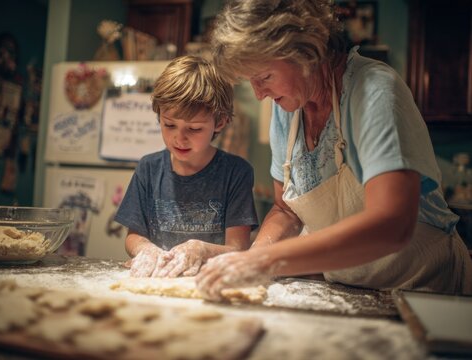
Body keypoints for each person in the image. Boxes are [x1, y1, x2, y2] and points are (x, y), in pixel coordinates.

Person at [196, 0, 472, 300]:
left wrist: (263, 261)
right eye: (252, 82)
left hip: (426, 290)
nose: (260, 94)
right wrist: (253, 259)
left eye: (264, 78)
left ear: (304, 51)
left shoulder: (375, 90)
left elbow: (392, 224)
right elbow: (285, 210)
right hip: (354, 291)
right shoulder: (286, 110)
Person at [115, 55, 258, 278]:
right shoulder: (148, 169)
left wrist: (201, 250)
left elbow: (238, 248)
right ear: (159, 116)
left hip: (207, 283)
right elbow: (133, 237)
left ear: (219, 122)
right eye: (169, 125)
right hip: (158, 281)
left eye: (194, 129)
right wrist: (145, 249)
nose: (179, 138)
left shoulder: (236, 172)